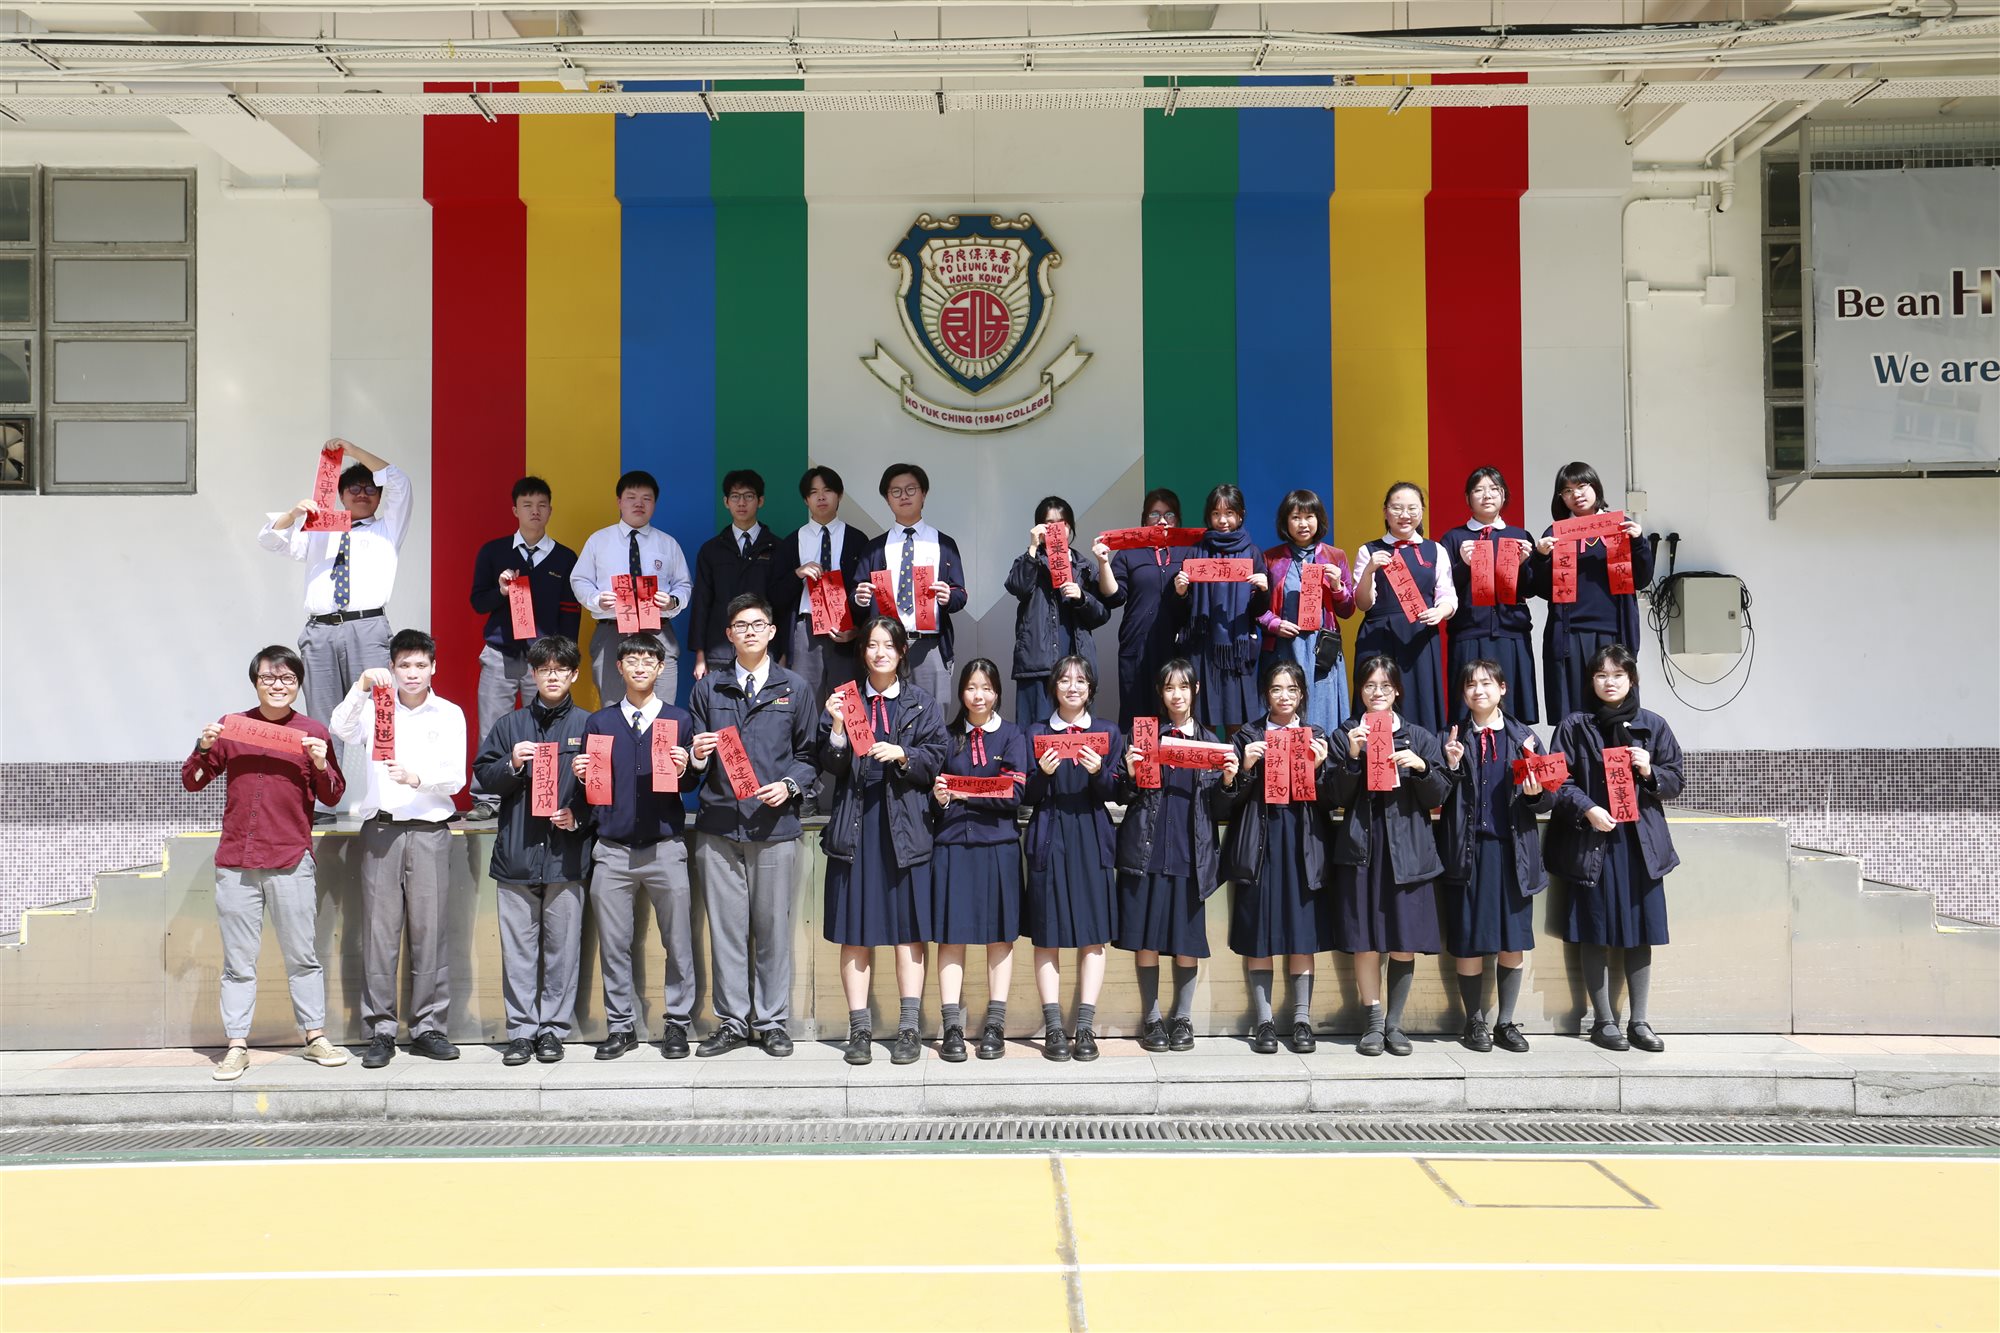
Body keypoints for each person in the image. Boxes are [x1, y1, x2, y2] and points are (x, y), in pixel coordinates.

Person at [181, 646, 349, 1081]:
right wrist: (203, 748)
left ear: (298, 684)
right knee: (238, 962)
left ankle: (314, 1036)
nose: (278, 685)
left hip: (291, 859)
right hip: (237, 861)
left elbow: (333, 794)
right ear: (255, 682)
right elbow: (192, 782)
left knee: (303, 956)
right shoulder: (233, 727)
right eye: (269, 678)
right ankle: (236, 1045)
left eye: (287, 678)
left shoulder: (312, 731)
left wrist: (319, 762)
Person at [686, 594, 818, 1059]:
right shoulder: (709, 688)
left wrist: (789, 785)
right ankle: (732, 1022)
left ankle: (772, 1021)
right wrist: (695, 756)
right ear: (728, 635)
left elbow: (809, 756)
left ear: (772, 631)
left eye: (757, 624)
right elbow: (692, 767)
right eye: (740, 626)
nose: (749, 632)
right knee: (726, 930)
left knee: (772, 929)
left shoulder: (794, 688)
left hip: (774, 826)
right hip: (719, 826)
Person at [328, 628, 467, 1068]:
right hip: (382, 832)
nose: (412, 673)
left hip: (429, 830)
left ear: (433, 668)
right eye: (404, 665)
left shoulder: (449, 713)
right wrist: (360, 687)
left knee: (430, 932)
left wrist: (417, 779)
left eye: (420, 665)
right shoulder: (375, 709)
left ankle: (428, 1027)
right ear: (391, 668)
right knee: (379, 933)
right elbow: (339, 728)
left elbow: (456, 778)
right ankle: (381, 1030)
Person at [818, 616, 950, 1066]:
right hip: (856, 827)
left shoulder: (920, 703)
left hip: (905, 830)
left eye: (888, 646)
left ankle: (909, 1029)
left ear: (901, 652)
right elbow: (830, 766)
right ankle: (859, 1030)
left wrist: (904, 755)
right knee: (855, 934)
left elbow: (937, 759)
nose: (879, 653)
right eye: (872, 645)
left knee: (908, 934)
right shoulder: (845, 699)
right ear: (863, 652)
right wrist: (837, 727)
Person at [1544, 644, 1684, 1054]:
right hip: (1593, 843)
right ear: (1591, 681)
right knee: (1595, 930)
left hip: (1640, 845)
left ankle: (1639, 1021)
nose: (1610, 682)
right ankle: (1603, 1021)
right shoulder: (1574, 726)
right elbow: (1558, 780)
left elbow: (1675, 780)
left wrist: (1649, 770)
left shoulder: (1653, 725)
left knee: (1641, 932)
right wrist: (1587, 809)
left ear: (1631, 680)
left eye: (1618, 675)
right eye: (1602, 675)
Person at [574, 633, 700, 1060]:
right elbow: (593, 788)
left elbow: (692, 783)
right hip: (612, 849)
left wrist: (686, 768)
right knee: (614, 944)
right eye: (632, 659)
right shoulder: (600, 723)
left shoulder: (678, 720)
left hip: (665, 847)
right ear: (620, 667)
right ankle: (621, 1026)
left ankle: (677, 1023)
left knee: (677, 941)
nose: (641, 666)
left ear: (661, 668)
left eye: (649, 660)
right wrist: (580, 775)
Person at [472, 635, 593, 1066]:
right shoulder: (510, 725)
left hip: (567, 856)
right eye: (544, 670)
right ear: (534, 674)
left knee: (563, 952)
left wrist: (578, 816)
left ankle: (553, 1031)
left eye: (561, 670)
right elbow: (483, 776)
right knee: (519, 953)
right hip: (517, 855)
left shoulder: (590, 726)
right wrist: (513, 764)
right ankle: (522, 1032)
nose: (552, 677)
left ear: (574, 674)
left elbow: (605, 791)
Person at [1329, 655, 1451, 1057]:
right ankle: (1373, 1022)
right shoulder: (1346, 733)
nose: (1377, 692)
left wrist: (1422, 768)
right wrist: (1352, 757)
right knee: (1365, 940)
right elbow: (1333, 795)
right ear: (1360, 691)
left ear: (1397, 690)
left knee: (1403, 940)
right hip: (1362, 848)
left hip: (1409, 850)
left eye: (1385, 685)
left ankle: (1395, 1024)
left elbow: (1439, 795)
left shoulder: (1419, 736)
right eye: (1369, 686)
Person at [1114, 658, 1232, 1053]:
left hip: (1189, 854)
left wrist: (1229, 780)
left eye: (1183, 687)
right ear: (1160, 693)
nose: (1176, 695)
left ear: (1195, 690)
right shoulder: (1145, 736)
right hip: (1147, 851)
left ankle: (1182, 1018)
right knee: (1146, 940)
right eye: (1169, 688)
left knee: (1186, 942)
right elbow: (1123, 795)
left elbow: (1221, 807)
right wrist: (1129, 774)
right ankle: (1151, 1019)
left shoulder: (1212, 743)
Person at [1436, 659, 1552, 1055]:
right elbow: (1433, 793)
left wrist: (1536, 793)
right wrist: (1450, 766)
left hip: (1513, 853)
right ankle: (1474, 1021)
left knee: (1512, 942)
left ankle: (1505, 1022)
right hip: (1467, 852)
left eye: (1486, 683)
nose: (1478, 691)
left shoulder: (1525, 738)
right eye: (1471, 685)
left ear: (1502, 688)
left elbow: (1548, 798)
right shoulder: (1450, 737)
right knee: (1468, 940)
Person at [258, 437, 413, 729]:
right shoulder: (318, 530)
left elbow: (400, 482)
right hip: (320, 630)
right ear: (341, 495)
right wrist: (293, 515)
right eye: (354, 488)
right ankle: (327, 762)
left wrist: (352, 451)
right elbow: (271, 541)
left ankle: (374, 763)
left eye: (370, 489)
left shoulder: (388, 528)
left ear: (380, 497)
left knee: (375, 713)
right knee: (323, 716)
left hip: (367, 628)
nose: (362, 494)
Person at [1217, 660, 1332, 1055]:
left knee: (1302, 937)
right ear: (1266, 694)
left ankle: (1301, 1021)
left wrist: (1320, 768)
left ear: (1302, 695)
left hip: (1303, 843)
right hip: (1260, 844)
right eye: (1277, 689)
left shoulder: (1316, 735)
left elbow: (1333, 798)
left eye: (1292, 689)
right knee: (1260, 936)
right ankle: (1264, 1022)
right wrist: (1244, 768)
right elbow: (1224, 802)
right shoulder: (1247, 735)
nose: (1284, 696)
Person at [1023, 656, 1126, 1062]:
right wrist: (1042, 774)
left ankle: (1084, 1028)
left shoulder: (1107, 732)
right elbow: (1026, 795)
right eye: (1064, 680)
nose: (1072, 687)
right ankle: (1053, 1028)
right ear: (1054, 687)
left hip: (1091, 837)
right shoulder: (1035, 732)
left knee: (1092, 935)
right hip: (1049, 836)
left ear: (1091, 689)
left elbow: (1118, 791)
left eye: (1081, 680)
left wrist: (1100, 772)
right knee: (1047, 935)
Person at [928, 659, 1029, 1061]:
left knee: (999, 937)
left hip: (998, 846)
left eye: (986, 687)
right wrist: (940, 798)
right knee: (951, 937)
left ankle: (994, 1025)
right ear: (961, 693)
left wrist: (966, 792)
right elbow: (934, 790)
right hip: (952, 845)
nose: (979, 695)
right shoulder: (946, 735)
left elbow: (1014, 792)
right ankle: (952, 1026)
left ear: (997, 692)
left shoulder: (1012, 735)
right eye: (971, 687)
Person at [467, 476, 581, 820]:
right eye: (527, 505)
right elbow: (477, 602)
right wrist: (501, 592)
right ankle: (487, 797)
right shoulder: (493, 551)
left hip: (545, 661)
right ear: (515, 509)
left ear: (550, 510)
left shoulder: (564, 557)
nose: (535, 511)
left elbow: (570, 612)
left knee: (548, 726)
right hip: (501, 653)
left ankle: (543, 792)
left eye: (542, 505)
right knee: (492, 726)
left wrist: (564, 658)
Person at [1530, 462, 1653, 721]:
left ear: (1595, 486)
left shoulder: (1621, 526)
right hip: (1570, 634)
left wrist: (1639, 543)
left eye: (1582, 486)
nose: (1576, 494)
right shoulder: (1556, 534)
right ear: (1561, 498)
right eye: (1567, 490)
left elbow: (1641, 580)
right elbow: (1541, 589)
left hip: (1614, 632)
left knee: (1616, 708)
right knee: (1574, 709)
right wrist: (1540, 557)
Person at [571, 471, 694, 708]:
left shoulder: (667, 543)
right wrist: (596, 600)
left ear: (654, 504)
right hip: (612, 631)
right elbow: (579, 580)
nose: (639, 504)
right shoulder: (599, 540)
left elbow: (684, 584)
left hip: (658, 631)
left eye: (647, 498)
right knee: (613, 707)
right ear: (619, 502)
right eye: (631, 497)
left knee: (662, 708)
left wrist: (673, 601)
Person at [850, 463, 968, 702]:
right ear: (887, 499)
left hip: (929, 645)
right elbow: (854, 595)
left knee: (933, 714)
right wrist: (859, 598)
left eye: (911, 489)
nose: (903, 496)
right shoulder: (874, 548)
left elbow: (960, 594)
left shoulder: (944, 544)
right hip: (886, 647)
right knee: (886, 713)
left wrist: (948, 596)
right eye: (896, 491)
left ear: (923, 494)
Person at [1351, 482, 1457, 734]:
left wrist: (1440, 611)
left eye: (1412, 508)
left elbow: (1448, 595)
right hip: (1378, 635)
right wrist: (1369, 571)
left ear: (1422, 511)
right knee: (1376, 695)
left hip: (1419, 636)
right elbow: (1362, 603)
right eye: (1397, 508)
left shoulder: (1435, 550)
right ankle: (1372, 753)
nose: (1404, 515)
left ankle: (1422, 754)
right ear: (1385, 511)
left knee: (1420, 700)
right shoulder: (1369, 550)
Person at [1441, 467, 1540, 727]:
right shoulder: (1454, 538)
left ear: (1504, 495)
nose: (1487, 495)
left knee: (1514, 709)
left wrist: (1524, 565)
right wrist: (1463, 565)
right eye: (1479, 490)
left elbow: (1530, 589)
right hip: (1468, 633)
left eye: (1494, 489)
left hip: (1511, 633)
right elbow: (1443, 589)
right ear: (1468, 498)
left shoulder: (1519, 536)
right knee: (1466, 709)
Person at [1003, 495, 1115, 725]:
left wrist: (1082, 598)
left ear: (1070, 526)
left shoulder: (1083, 566)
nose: (1056, 529)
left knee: (1077, 732)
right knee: (1034, 732)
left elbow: (1102, 614)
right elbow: (1018, 587)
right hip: (1037, 665)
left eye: (1061, 523)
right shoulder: (1029, 560)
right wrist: (1033, 547)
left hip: (1076, 665)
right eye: (1048, 523)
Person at [772, 465, 863, 743]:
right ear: (805, 500)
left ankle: (851, 765)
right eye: (813, 493)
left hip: (845, 634)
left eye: (828, 490)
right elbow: (774, 596)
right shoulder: (792, 542)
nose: (821, 497)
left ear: (840, 495)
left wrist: (858, 630)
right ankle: (805, 765)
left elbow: (867, 592)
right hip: (805, 632)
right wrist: (797, 575)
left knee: (849, 703)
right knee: (804, 701)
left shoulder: (858, 540)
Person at [1175, 484, 1270, 737]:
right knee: (1203, 721)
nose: (1223, 520)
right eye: (1216, 514)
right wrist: (1181, 592)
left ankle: (1236, 764)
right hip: (1202, 648)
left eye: (1229, 513)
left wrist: (1263, 590)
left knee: (1237, 725)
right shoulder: (1197, 551)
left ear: (1241, 515)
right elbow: (1184, 611)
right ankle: (1206, 765)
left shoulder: (1252, 552)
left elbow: (1259, 611)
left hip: (1237, 649)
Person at [1258, 488, 1356, 734]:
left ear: (1319, 519)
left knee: (1323, 712)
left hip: (1322, 649)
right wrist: (1275, 624)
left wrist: (1337, 586)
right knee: (1284, 706)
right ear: (1285, 522)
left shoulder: (1335, 556)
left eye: (1309, 516)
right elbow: (1256, 609)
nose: (1303, 524)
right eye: (1296, 517)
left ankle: (1323, 756)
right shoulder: (1270, 559)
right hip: (1284, 647)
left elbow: (1348, 610)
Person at [1101, 488, 1194, 735]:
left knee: (1173, 708)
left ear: (1178, 520)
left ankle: (1173, 758)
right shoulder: (1129, 552)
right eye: (1155, 514)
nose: (1162, 520)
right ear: (1144, 520)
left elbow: (1194, 603)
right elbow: (1115, 597)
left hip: (1174, 646)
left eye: (1169, 514)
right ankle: (1138, 760)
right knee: (1137, 710)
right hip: (1137, 644)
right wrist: (1103, 563)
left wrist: (1183, 592)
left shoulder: (1189, 551)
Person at [689, 470, 781, 685]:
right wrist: (700, 654)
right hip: (720, 651)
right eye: (735, 496)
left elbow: (783, 606)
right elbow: (701, 602)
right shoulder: (711, 550)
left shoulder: (778, 547)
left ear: (760, 501)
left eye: (748, 496)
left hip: (765, 650)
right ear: (726, 502)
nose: (741, 503)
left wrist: (784, 653)